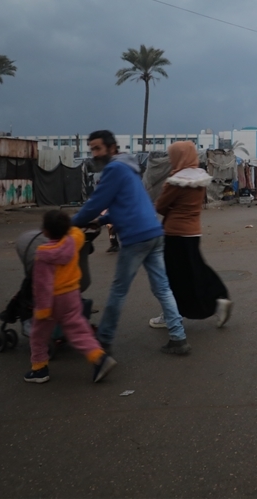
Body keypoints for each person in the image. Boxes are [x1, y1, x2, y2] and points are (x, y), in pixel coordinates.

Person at [71, 130, 190, 356]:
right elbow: (126, 204)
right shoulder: (129, 168)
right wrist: (103, 220)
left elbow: (96, 202)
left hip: (136, 237)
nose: (94, 154)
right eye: (92, 149)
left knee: (118, 291)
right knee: (162, 288)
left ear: (112, 148)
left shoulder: (114, 169)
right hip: (154, 232)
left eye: (97, 148)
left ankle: (103, 341)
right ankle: (178, 338)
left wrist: (70, 223)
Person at [25, 210, 117, 384]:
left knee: (38, 335)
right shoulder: (73, 241)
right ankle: (99, 358)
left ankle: (39, 368)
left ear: (45, 231)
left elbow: (42, 285)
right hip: (72, 295)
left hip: (53, 300)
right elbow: (75, 230)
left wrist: (43, 310)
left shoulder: (43, 254)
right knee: (78, 331)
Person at [149, 141, 233, 329]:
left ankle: (171, 313)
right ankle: (219, 299)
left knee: (172, 276)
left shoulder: (176, 181)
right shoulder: (200, 179)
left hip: (174, 234)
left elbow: (161, 206)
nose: (170, 160)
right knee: (197, 269)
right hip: (193, 232)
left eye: (172, 156)